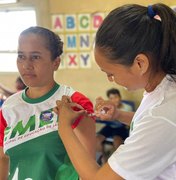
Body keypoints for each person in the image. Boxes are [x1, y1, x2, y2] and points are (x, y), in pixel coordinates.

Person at [55, 3, 176, 180]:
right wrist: (118, 114)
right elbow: (149, 121)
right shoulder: (164, 86)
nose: (110, 80)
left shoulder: (164, 112)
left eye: (110, 74)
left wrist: (64, 128)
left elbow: (98, 178)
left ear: (140, 64)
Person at [0, 26, 96, 180]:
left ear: (56, 62)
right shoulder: (8, 108)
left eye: (35, 57)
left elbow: (88, 171)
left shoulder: (75, 101)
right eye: (21, 56)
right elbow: (3, 159)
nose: (26, 65)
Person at [96, 88, 132, 165]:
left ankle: (120, 162)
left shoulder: (127, 107)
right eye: (111, 98)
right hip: (110, 127)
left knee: (117, 140)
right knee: (97, 140)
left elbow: (128, 122)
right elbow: (98, 115)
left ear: (120, 97)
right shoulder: (107, 107)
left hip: (121, 128)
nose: (114, 100)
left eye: (116, 97)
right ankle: (104, 159)